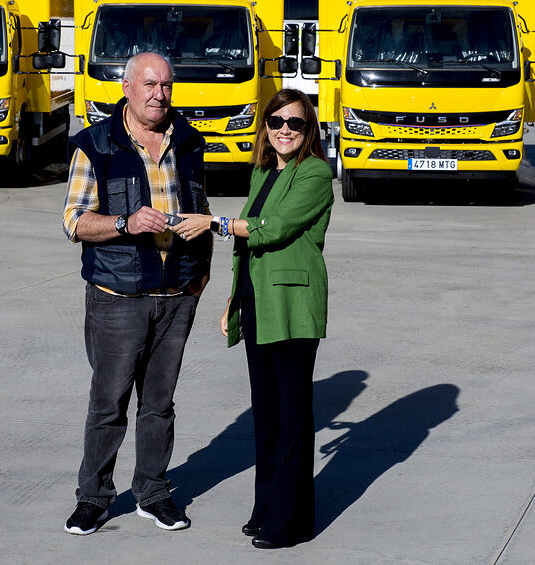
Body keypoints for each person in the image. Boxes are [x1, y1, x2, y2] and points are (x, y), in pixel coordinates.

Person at [173, 88, 334, 549]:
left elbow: (274, 228)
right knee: (266, 418)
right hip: (256, 303)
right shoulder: (264, 171)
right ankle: (267, 510)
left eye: (296, 123)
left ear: (308, 131)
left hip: (292, 308)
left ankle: (290, 523)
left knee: (291, 420)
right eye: (277, 121)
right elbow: (247, 247)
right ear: (265, 126)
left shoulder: (316, 173)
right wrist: (232, 302)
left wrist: (212, 223)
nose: (285, 130)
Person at [61, 51, 212, 536]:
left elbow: (201, 208)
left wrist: (201, 271)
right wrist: (126, 223)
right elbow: (75, 221)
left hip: (176, 296)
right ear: (126, 87)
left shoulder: (189, 141)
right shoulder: (94, 145)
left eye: (166, 85)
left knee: (160, 404)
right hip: (117, 298)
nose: (158, 94)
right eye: (149, 84)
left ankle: (152, 492)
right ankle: (94, 498)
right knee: (108, 404)